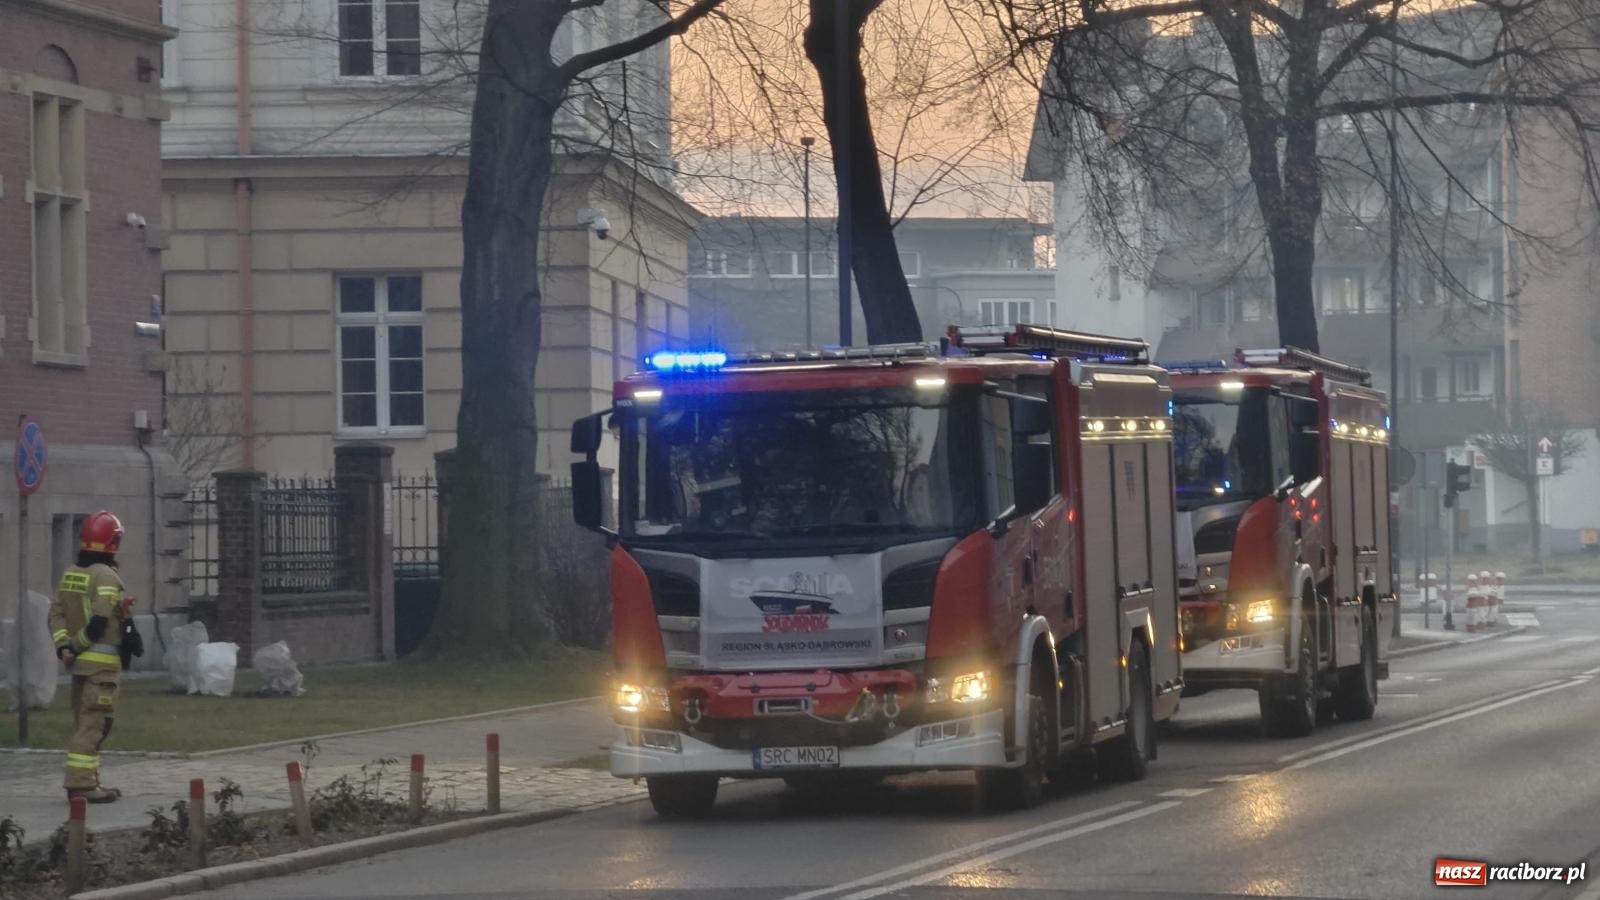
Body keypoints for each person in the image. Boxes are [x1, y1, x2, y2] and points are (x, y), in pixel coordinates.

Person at [47, 511, 139, 804]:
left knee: (86, 723)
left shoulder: (71, 573)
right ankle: (82, 786)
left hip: (80, 669)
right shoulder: (107, 576)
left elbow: (56, 614)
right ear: (112, 541)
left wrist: (64, 647)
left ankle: (89, 780)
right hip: (101, 670)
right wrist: (76, 646)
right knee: (95, 725)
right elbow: (99, 622)